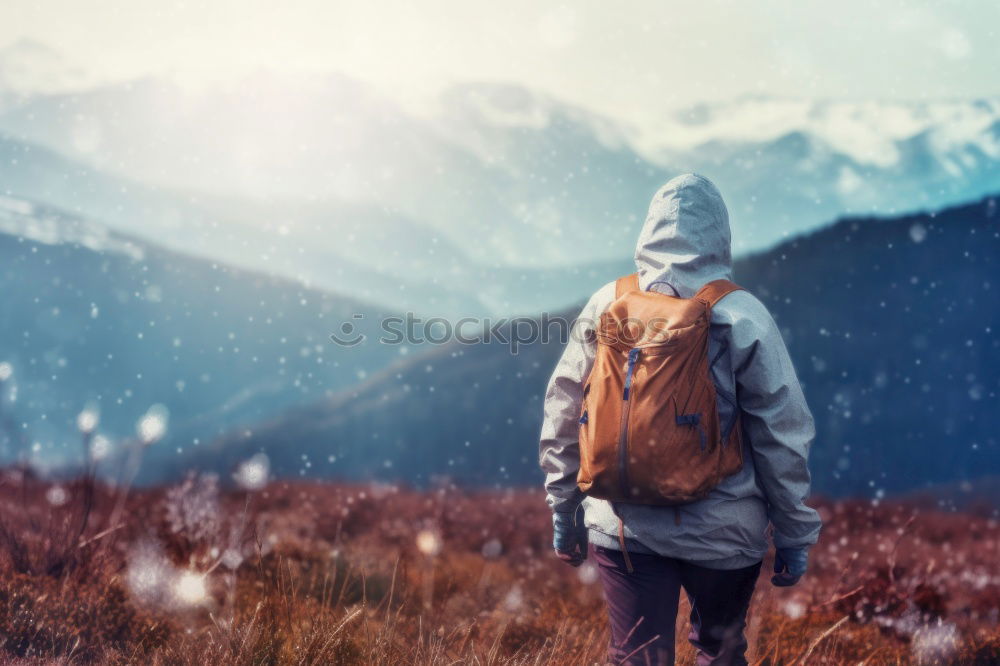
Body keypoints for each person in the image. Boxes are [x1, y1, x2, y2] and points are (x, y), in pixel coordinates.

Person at [539, 173, 821, 666]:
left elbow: (566, 407)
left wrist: (564, 510)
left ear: (647, 231)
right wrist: (794, 533)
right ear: (719, 235)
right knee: (719, 651)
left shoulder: (609, 302)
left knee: (638, 656)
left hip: (625, 525)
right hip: (723, 531)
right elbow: (781, 434)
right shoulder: (741, 315)